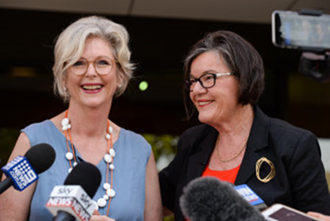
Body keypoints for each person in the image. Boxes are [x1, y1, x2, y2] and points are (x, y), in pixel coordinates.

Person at [0, 16, 162, 221]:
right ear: (63, 77)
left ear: (120, 75)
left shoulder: (140, 151)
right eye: (78, 63)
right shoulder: (33, 141)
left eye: (103, 63)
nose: (91, 72)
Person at [159, 30, 330, 221]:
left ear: (243, 77)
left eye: (208, 78)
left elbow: (318, 216)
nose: (196, 90)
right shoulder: (192, 142)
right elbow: (154, 202)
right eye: (192, 81)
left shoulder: (293, 144)